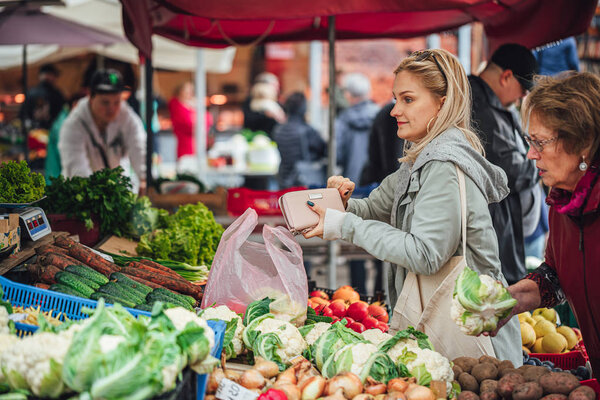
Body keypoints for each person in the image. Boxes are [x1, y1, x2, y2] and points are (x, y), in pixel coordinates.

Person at [304, 49, 521, 365]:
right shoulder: (418, 162)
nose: (394, 111)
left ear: (442, 103)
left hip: (477, 348)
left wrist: (343, 225)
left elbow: (426, 254)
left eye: (407, 99)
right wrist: (342, 205)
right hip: (449, 341)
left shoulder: (444, 166)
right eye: (396, 99)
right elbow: (373, 208)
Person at [491, 72, 600, 377]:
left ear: (584, 143)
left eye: (540, 142)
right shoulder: (563, 202)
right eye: (530, 141)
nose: (530, 154)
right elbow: (556, 275)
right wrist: (507, 301)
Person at [469, 43, 541, 284]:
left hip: (507, 230)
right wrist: (541, 162)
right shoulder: (479, 108)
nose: (523, 97)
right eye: (523, 89)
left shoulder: (493, 104)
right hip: (496, 232)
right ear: (506, 76)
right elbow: (508, 171)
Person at [58, 69, 147, 195]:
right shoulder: (73, 126)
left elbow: (139, 149)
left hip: (119, 193)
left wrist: (145, 178)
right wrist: (98, 199)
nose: (111, 109)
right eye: (105, 103)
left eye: (116, 102)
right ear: (91, 97)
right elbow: (77, 171)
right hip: (81, 196)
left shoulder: (127, 117)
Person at [335, 72, 380, 295]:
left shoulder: (343, 120)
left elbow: (337, 153)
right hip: (380, 185)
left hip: (351, 187)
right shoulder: (382, 116)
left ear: (350, 95)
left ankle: (357, 295)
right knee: (381, 237)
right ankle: (381, 296)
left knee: (354, 241)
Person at [273, 92, 326, 189]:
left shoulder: (278, 130)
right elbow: (324, 150)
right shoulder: (308, 130)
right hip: (304, 181)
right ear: (304, 109)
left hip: (283, 178)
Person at [168, 81, 213, 159]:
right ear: (180, 92)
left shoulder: (193, 105)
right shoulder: (176, 105)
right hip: (186, 147)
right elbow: (189, 124)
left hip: (200, 146)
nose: (189, 93)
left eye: (191, 91)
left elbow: (209, 119)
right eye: (186, 91)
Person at [20, 63, 66, 131]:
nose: (54, 79)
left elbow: (22, 115)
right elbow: (63, 114)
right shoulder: (57, 94)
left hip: (32, 132)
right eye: (53, 75)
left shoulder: (31, 92)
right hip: (49, 131)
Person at [243, 72, 284, 137]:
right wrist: (266, 115)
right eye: (275, 85)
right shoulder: (249, 103)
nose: (277, 89)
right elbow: (249, 122)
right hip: (254, 137)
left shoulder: (276, 103)